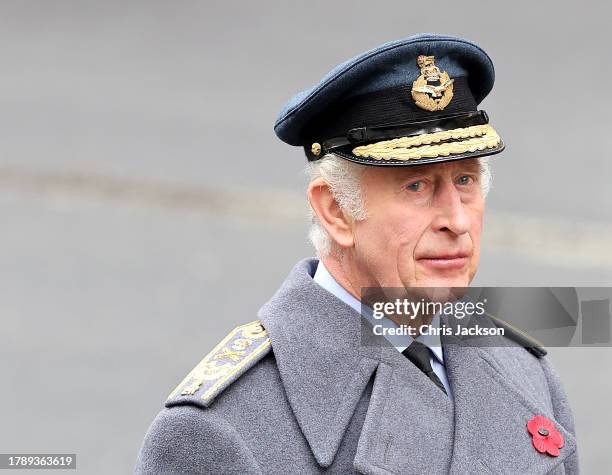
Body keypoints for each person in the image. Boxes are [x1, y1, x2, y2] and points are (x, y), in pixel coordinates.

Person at [135, 33, 579, 474]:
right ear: (335, 210)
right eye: (417, 186)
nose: (457, 221)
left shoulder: (523, 368)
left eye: (465, 181)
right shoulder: (218, 433)